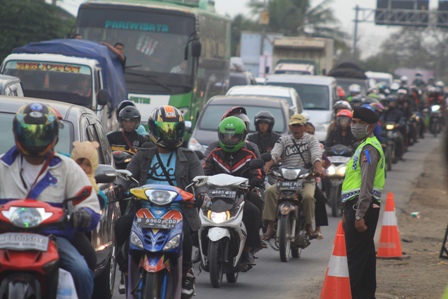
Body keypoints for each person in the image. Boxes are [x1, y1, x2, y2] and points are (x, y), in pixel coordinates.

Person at [0, 102, 100, 299]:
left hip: (53, 238)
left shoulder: (67, 167)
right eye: (29, 132)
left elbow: (90, 205)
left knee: (80, 270)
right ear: (17, 132)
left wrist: (82, 216)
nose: (35, 139)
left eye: (41, 133)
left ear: (53, 136)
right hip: (5, 235)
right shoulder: (2, 164)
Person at [114, 105, 206, 299]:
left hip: (177, 211)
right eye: (165, 130)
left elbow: (200, 181)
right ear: (155, 130)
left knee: (187, 235)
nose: (170, 134)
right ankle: (125, 271)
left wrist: (203, 195)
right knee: (121, 225)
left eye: (174, 129)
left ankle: (187, 272)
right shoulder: (143, 154)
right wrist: (119, 188)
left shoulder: (189, 157)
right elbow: (127, 175)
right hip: (144, 209)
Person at [203, 116, 264, 263]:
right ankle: (199, 245)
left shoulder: (249, 155)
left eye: (234, 136)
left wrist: (255, 180)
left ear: (242, 136)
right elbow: (204, 171)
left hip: (240, 195)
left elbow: (258, 174)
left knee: (252, 210)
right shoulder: (214, 154)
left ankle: (249, 247)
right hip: (215, 195)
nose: (230, 140)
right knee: (197, 208)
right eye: (226, 136)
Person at [341, 106, 385, 299]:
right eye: (354, 122)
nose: (355, 126)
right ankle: (365, 295)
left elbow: (366, 184)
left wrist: (359, 215)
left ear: (371, 126)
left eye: (360, 123)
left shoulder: (368, 149)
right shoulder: (364, 145)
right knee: (365, 256)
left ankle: (348, 294)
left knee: (354, 258)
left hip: (362, 207)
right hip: (360, 206)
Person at [262, 114, 325, 240]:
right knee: (269, 192)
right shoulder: (283, 140)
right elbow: (274, 154)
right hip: (285, 180)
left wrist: (318, 169)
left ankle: (308, 225)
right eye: (293, 126)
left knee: (308, 197)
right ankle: (270, 225)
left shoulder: (311, 140)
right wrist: (268, 165)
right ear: (290, 127)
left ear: (304, 127)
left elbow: (316, 156)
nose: (295, 129)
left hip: (305, 180)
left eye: (298, 126)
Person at [71, 140, 108, 271]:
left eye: (87, 164)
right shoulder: (63, 173)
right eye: (79, 163)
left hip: (76, 229)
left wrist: (96, 201)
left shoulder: (92, 184)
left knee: (87, 262)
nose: (83, 167)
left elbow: (100, 199)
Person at [305, 122, 328, 239]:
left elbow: (325, 160)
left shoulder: (317, 146)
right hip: (291, 180)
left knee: (319, 198)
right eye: (307, 132)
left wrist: (321, 165)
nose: (309, 134)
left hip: (309, 181)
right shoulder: (290, 143)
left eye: (311, 132)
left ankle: (317, 227)